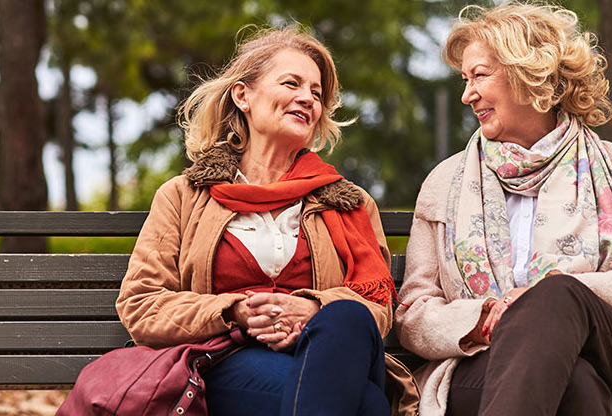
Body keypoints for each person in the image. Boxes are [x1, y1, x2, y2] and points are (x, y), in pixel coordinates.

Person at [116, 26, 400, 416]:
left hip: (330, 352)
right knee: (366, 405)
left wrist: (312, 308)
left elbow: (378, 307)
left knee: (346, 316)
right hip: (225, 358)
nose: (307, 99)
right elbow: (143, 304)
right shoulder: (184, 195)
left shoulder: (348, 202)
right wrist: (235, 312)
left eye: (316, 94)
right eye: (292, 83)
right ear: (243, 95)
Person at [395, 2, 612, 415]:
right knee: (577, 386)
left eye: (479, 76)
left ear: (529, 73)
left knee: (555, 296)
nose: (467, 94)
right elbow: (414, 313)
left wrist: (551, 296)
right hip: (482, 362)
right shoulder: (445, 183)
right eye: (465, 80)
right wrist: (482, 317)